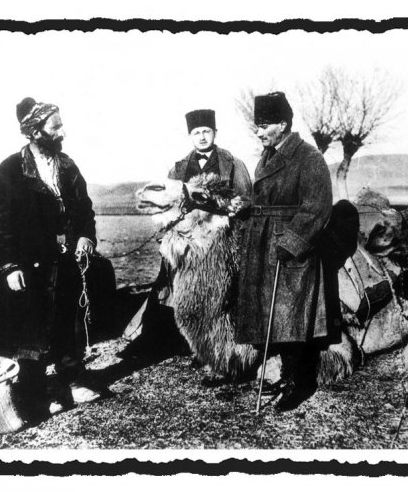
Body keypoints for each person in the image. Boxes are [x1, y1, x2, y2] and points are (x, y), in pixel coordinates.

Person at [0, 97, 102, 415]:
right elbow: (4, 224)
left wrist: (85, 237)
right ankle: (36, 395)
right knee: (33, 331)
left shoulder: (67, 166)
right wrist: (11, 266)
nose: (62, 132)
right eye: (55, 127)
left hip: (65, 263)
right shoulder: (11, 170)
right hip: (30, 266)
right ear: (35, 132)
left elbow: (85, 209)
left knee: (68, 324)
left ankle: (74, 382)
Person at [235, 92, 335, 412]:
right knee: (272, 315)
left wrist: (290, 243)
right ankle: (288, 376)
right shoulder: (265, 157)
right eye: (257, 126)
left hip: (290, 249)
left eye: (264, 126)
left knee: (291, 315)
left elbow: (317, 208)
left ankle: (301, 381)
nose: (259, 132)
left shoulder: (308, 157)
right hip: (263, 244)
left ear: (283, 123)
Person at [127, 109, 252, 363]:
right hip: (189, 245)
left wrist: (232, 208)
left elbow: (246, 196)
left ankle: (228, 347)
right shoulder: (179, 168)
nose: (202, 137)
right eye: (197, 132)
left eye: (207, 131)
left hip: (222, 241)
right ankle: (195, 344)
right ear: (190, 136)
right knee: (184, 291)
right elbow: (168, 207)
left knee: (224, 295)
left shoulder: (234, 164)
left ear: (215, 133)